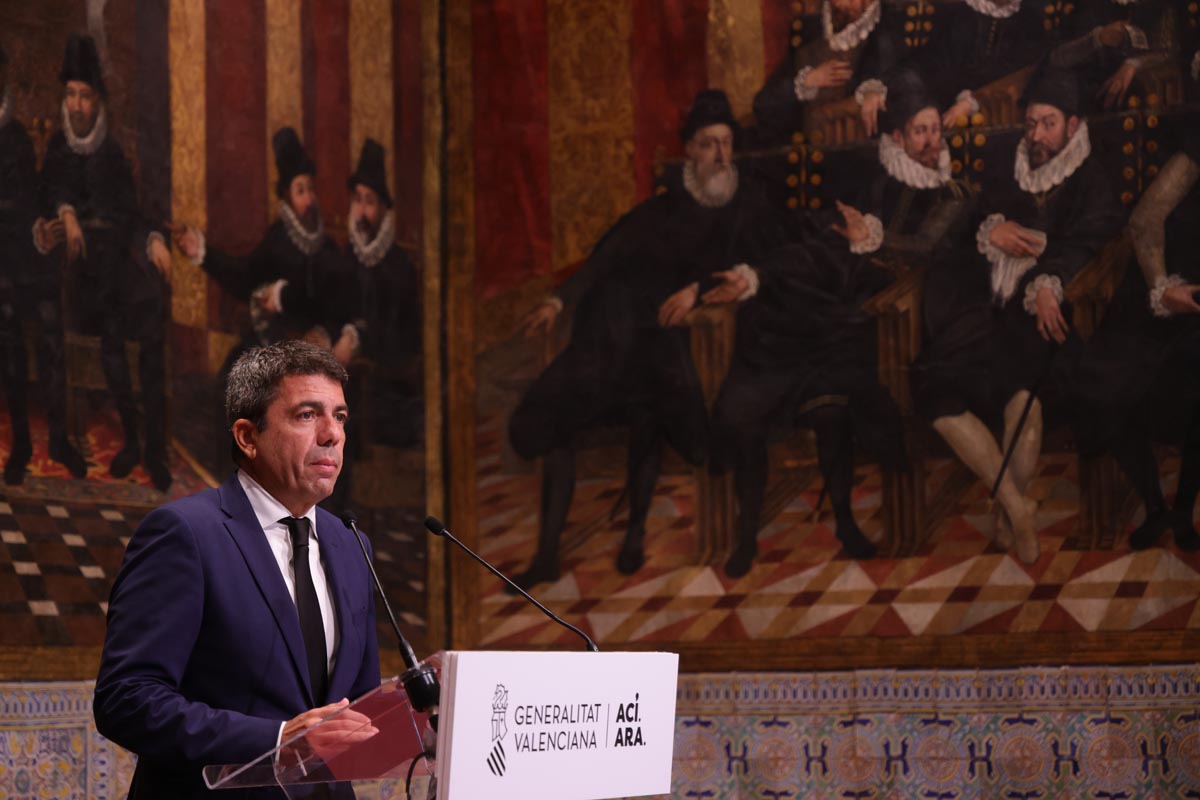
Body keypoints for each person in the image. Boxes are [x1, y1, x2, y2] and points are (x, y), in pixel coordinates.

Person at [509, 89, 788, 588]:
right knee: (564, 418)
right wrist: (559, 300)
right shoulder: (664, 208)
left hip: (695, 360)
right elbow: (607, 255)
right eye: (709, 145)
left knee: (652, 401)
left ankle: (635, 533)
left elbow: (769, 264)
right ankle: (547, 553)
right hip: (624, 349)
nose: (721, 156)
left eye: (726, 144)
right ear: (691, 153)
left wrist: (699, 291)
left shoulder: (750, 205)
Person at [94, 340, 382, 799]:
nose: (332, 434)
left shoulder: (351, 544)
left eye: (340, 416)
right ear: (247, 436)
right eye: (308, 415)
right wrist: (276, 740)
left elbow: (361, 700)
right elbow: (126, 700)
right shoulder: (185, 533)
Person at [707, 71, 967, 577]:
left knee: (835, 383)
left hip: (891, 314)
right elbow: (835, 235)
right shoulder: (876, 177)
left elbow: (924, 249)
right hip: (837, 294)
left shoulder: (953, 191)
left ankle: (846, 520)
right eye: (920, 131)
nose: (932, 141)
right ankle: (755, 283)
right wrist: (842, 242)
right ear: (897, 139)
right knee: (785, 319)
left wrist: (868, 239)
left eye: (936, 129)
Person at [913, 67, 1123, 564]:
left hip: (1043, 313)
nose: (1035, 135)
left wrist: (1050, 282)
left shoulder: (1091, 176)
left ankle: (1011, 516)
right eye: (1030, 124)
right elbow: (968, 221)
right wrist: (994, 228)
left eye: (1047, 124)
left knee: (1025, 394)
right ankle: (1016, 507)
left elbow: (1091, 241)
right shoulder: (1008, 163)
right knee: (932, 385)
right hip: (985, 306)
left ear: (1073, 125)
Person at [35, 34, 172, 490]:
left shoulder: (111, 154)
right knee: (102, 326)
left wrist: (152, 239)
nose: (76, 105)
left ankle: (149, 447)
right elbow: (48, 196)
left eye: (85, 96)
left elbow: (130, 216)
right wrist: (66, 213)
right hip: (76, 278)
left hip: (114, 269)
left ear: (98, 102)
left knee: (151, 312)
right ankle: (106, 438)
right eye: (70, 95)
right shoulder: (56, 149)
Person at [174, 127, 347, 365]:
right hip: (278, 346)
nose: (309, 199)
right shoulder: (277, 241)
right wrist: (203, 253)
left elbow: (339, 303)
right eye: (300, 191)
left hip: (317, 351)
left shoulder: (328, 247)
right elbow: (244, 278)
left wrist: (324, 332)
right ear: (286, 196)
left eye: (310, 189)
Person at [0, 42, 86, 484]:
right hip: (3, 270)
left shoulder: (13, 135)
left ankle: (58, 440)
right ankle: (21, 444)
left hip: (25, 259)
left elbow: (28, 197)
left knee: (51, 329)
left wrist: (39, 227)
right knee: (11, 340)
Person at [752, 0, 907, 142]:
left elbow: (907, 98)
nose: (840, 4)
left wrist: (874, 93)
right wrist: (808, 81)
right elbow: (763, 104)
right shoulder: (809, 33)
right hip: (809, 158)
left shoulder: (888, 33)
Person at [900, 0, 1047, 130]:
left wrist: (973, 102)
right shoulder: (958, 14)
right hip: (945, 115)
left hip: (1001, 117)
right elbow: (931, 64)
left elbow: (1024, 78)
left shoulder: (1030, 21)